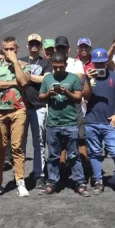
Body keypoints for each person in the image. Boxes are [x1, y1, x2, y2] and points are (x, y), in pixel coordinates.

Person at [83, 48, 115, 197]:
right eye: (96, 63)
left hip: (109, 122)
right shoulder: (87, 78)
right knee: (95, 153)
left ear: (106, 61)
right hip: (91, 122)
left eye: (102, 62)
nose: (99, 66)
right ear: (93, 62)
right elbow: (84, 96)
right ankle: (98, 181)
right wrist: (87, 80)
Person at [39, 52, 89, 196]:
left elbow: (79, 97)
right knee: (53, 155)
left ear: (66, 65)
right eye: (56, 67)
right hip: (53, 123)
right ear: (53, 65)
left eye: (61, 67)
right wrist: (49, 94)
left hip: (71, 122)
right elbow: (41, 97)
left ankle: (80, 183)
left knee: (74, 155)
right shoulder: (48, 79)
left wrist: (66, 92)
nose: (58, 69)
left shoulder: (73, 78)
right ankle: (52, 182)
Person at [0, 36, 31, 197]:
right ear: (2, 48)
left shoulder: (24, 65)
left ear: (17, 48)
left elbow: (24, 81)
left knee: (17, 147)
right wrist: (13, 84)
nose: (9, 52)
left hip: (18, 110)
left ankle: (20, 181)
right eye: (6, 49)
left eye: (12, 49)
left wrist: (15, 62)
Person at [20, 34, 53, 189]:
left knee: (39, 141)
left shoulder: (46, 62)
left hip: (39, 106)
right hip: (22, 106)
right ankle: (20, 176)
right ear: (27, 45)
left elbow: (46, 79)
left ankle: (39, 174)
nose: (34, 46)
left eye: (37, 44)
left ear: (41, 46)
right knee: (20, 143)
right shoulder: (21, 60)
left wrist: (26, 76)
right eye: (31, 43)